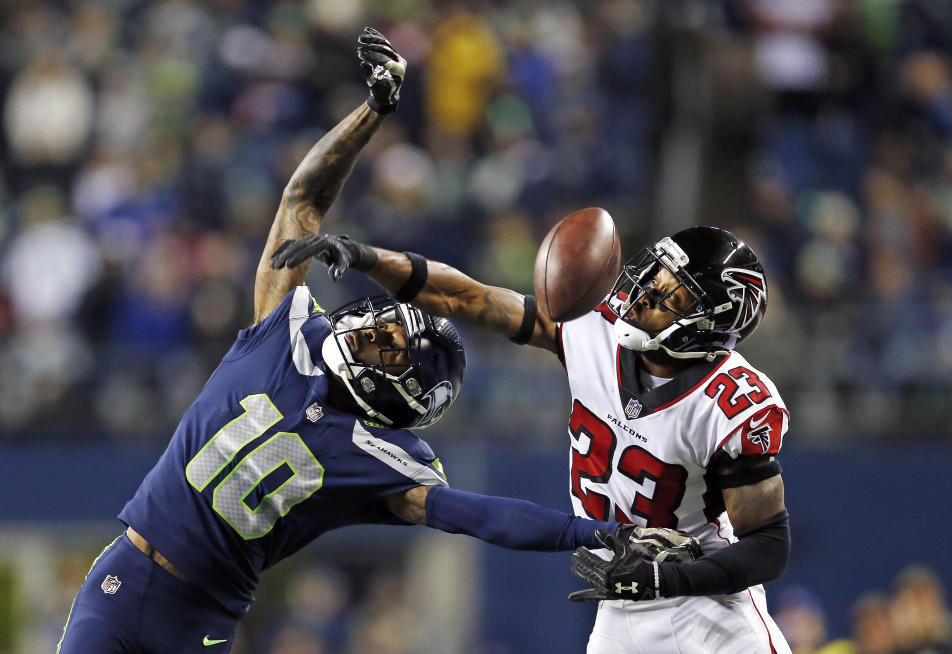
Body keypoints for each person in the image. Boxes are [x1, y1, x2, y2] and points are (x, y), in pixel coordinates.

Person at [56, 29, 623, 654]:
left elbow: (479, 515)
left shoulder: (376, 458)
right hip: (127, 574)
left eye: (389, 345)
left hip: (202, 620)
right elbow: (303, 198)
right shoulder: (290, 329)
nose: (373, 327)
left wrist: (591, 532)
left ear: (398, 390)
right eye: (388, 325)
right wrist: (371, 111)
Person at [273, 224, 794, 652]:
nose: (646, 292)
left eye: (671, 292)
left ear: (708, 322)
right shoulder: (594, 325)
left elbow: (768, 547)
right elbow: (467, 297)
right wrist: (367, 257)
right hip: (622, 606)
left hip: (708, 612)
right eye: (654, 274)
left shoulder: (732, 402)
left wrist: (666, 581)